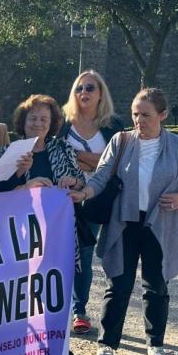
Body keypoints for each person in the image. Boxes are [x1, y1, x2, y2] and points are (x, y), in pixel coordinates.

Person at [68, 88, 178, 355]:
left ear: (163, 115)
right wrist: (85, 193)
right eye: (135, 114)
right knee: (118, 284)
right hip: (124, 222)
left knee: (157, 286)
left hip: (161, 224)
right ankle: (107, 344)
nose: (139, 120)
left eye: (146, 115)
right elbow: (102, 176)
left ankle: (155, 345)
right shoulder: (122, 140)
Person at [59, 70, 126, 334]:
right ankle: (59, 309)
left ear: (100, 94)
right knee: (60, 255)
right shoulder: (62, 125)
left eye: (90, 88)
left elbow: (117, 164)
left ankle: (79, 311)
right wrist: (97, 159)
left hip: (97, 199)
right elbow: (58, 157)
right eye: (79, 88)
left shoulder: (113, 126)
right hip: (63, 198)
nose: (84, 93)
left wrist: (80, 157)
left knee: (84, 254)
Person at [11, 94, 83, 190]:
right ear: (23, 121)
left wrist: (74, 182)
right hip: (24, 205)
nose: (37, 123)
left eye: (43, 119)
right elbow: (0, 191)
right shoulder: (10, 151)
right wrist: (25, 187)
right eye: (33, 119)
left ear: (51, 123)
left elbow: (82, 182)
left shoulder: (63, 147)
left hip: (60, 205)